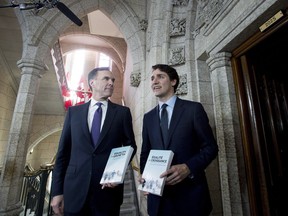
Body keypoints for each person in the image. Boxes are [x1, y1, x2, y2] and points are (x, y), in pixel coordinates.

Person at [51, 67, 137, 216]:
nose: (111, 83)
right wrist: (57, 191)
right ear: (92, 82)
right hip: (75, 191)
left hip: (108, 192)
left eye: (113, 80)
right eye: (106, 79)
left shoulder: (122, 113)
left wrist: (118, 172)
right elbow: (62, 153)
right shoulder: (74, 113)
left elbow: (130, 146)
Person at [139, 64, 218, 216]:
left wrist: (188, 167)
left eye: (160, 77)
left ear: (173, 81)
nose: (154, 81)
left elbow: (211, 147)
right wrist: (145, 176)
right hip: (158, 201)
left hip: (190, 197)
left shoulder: (193, 109)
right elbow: (145, 153)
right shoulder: (148, 118)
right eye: (152, 78)